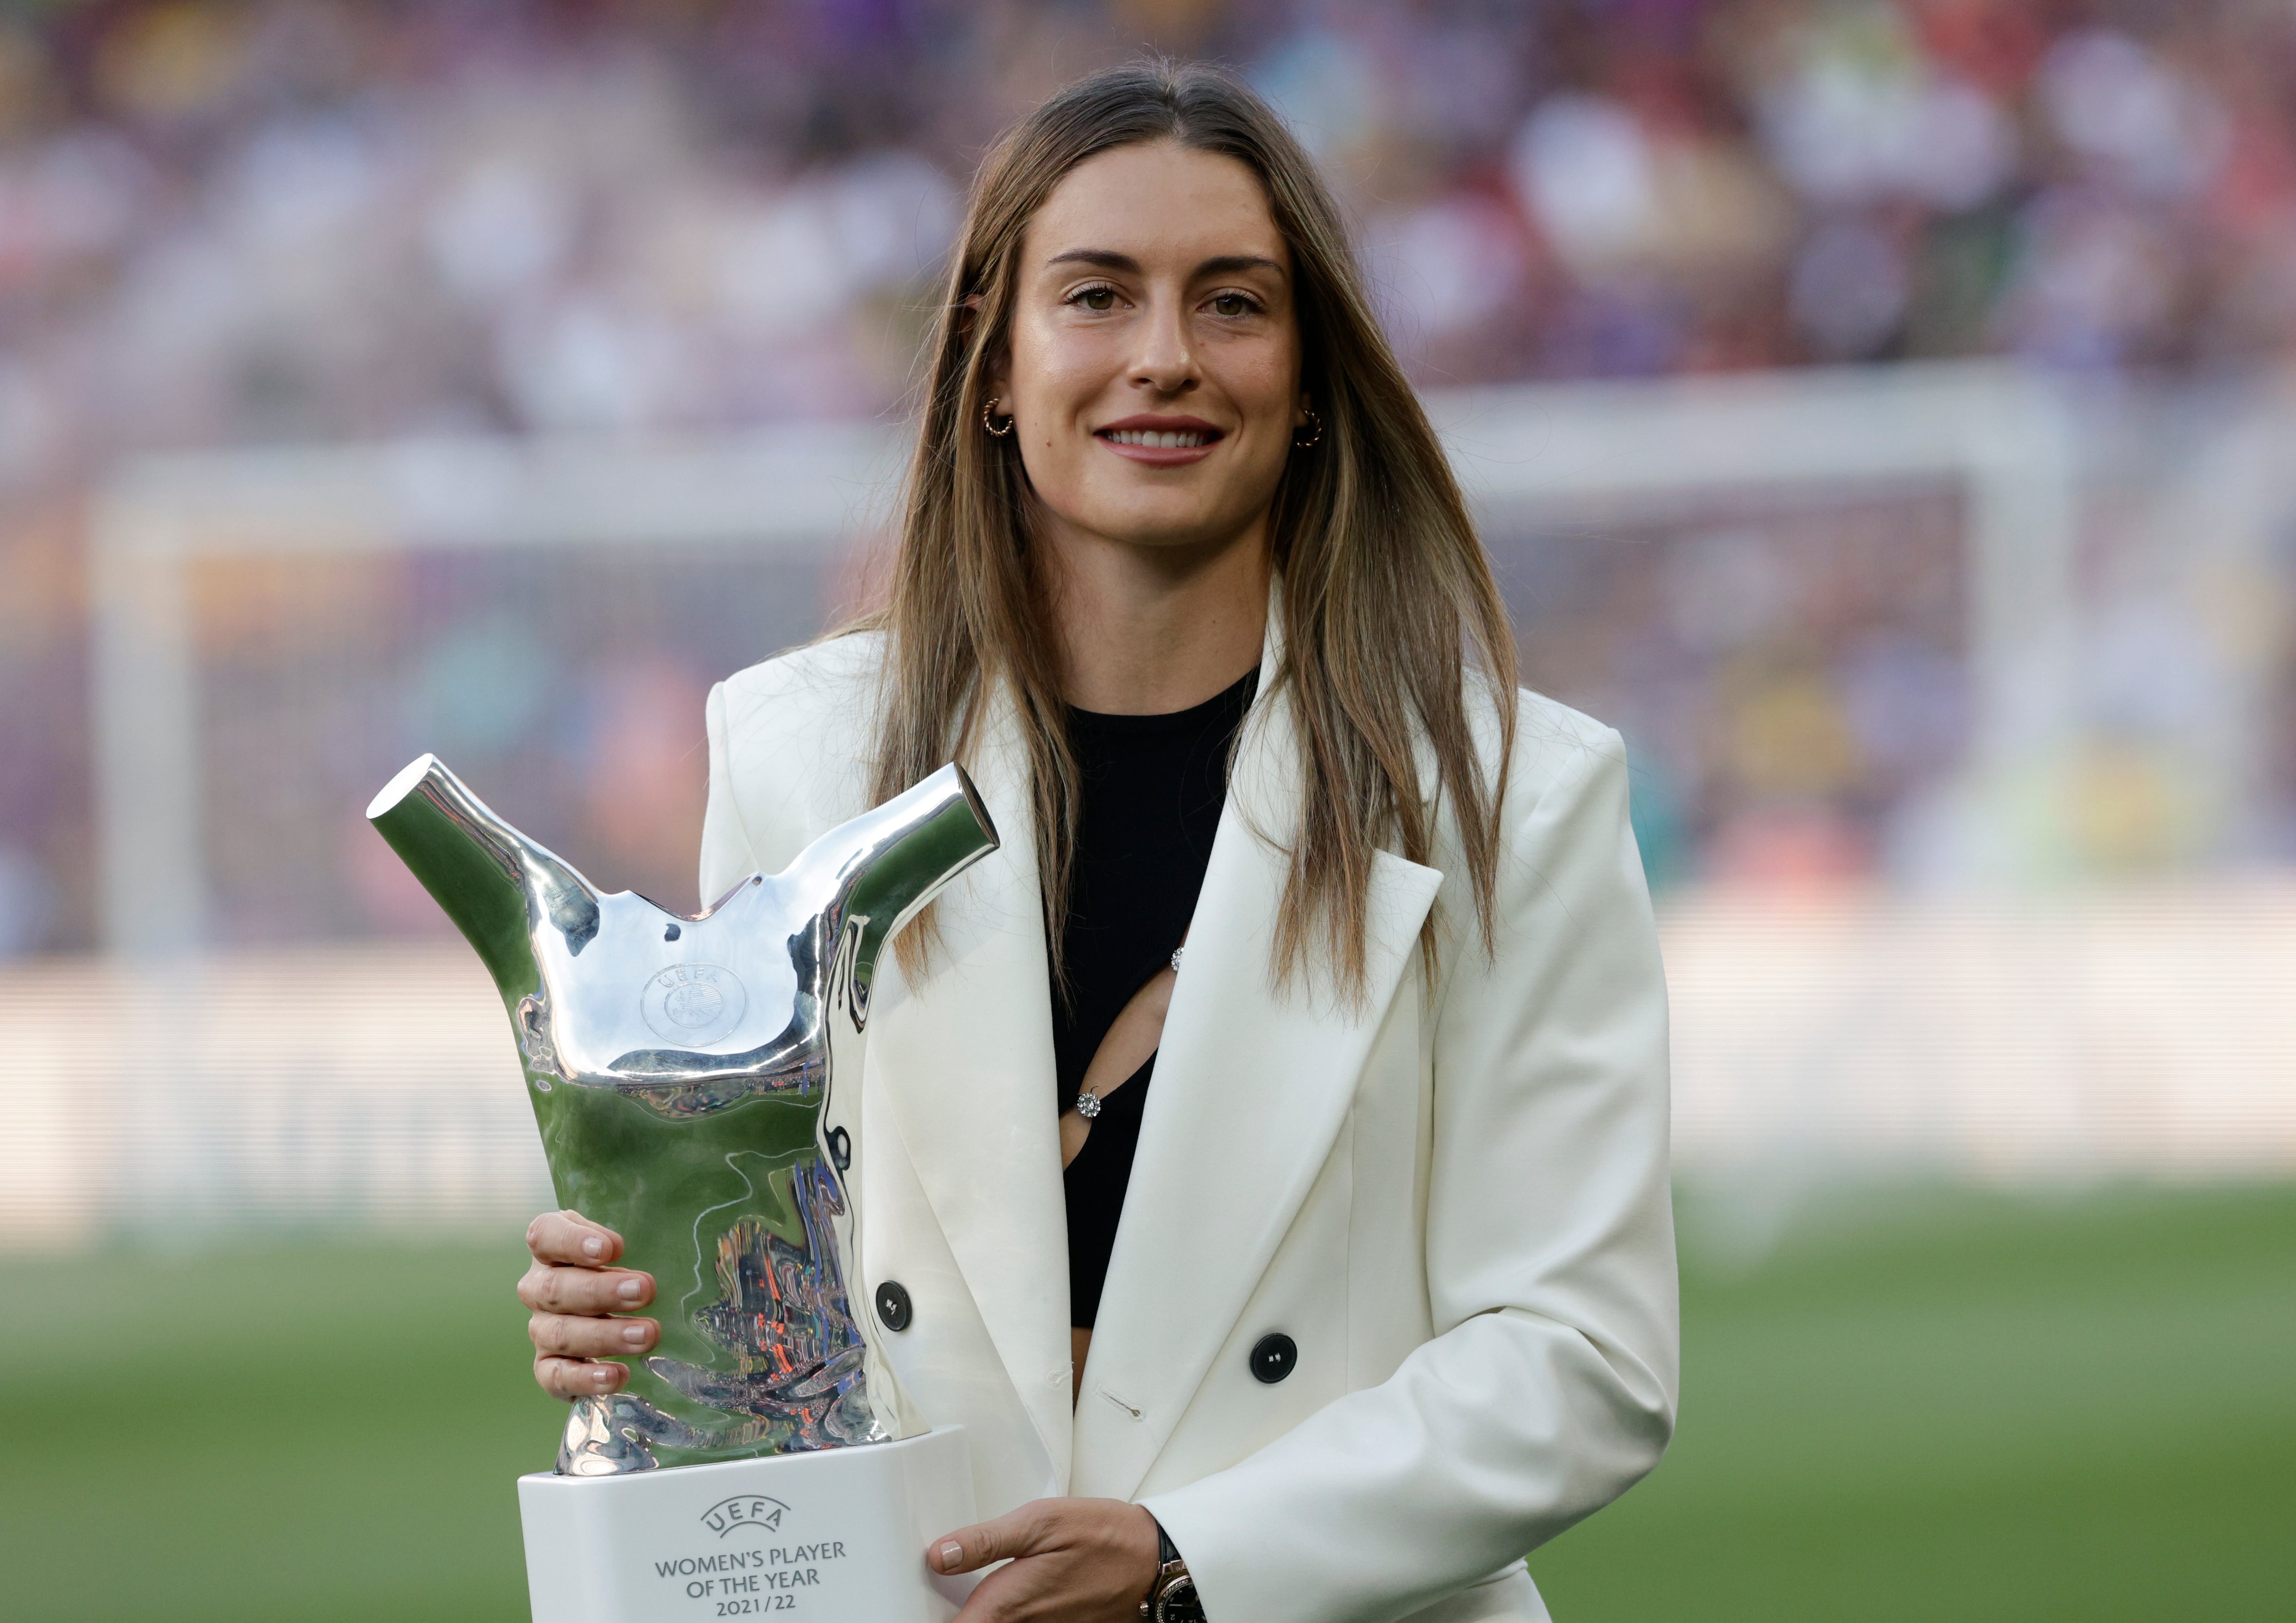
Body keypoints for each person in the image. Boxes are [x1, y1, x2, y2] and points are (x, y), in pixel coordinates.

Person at [515, 58, 1676, 1623]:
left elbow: (1585, 1359)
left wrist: (1194, 1556)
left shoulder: (1512, 793)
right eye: (1098, 297)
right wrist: (648, 1305)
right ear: (995, 362)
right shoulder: (797, 755)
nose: (1166, 358)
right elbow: (784, 1285)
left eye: (1235, 303)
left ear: (1316, 373)